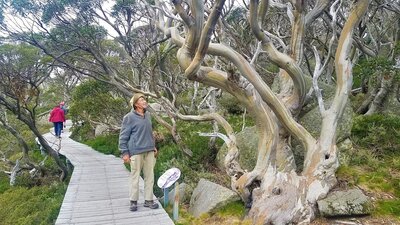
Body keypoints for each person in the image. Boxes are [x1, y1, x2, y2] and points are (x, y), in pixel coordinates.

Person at [119, 93, 159, 212]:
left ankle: (148, 200)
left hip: (149, 150)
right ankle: (133, 201)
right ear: (136, 104)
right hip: (136, 151)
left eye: (144, 100)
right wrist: (125, 153)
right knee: (135, 177)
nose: (145, 101)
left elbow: (149, 132)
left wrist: (153, 146)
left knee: (150, 176)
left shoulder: (147, 115)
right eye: (142, 100)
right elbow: (123, 136)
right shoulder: (129, 117)